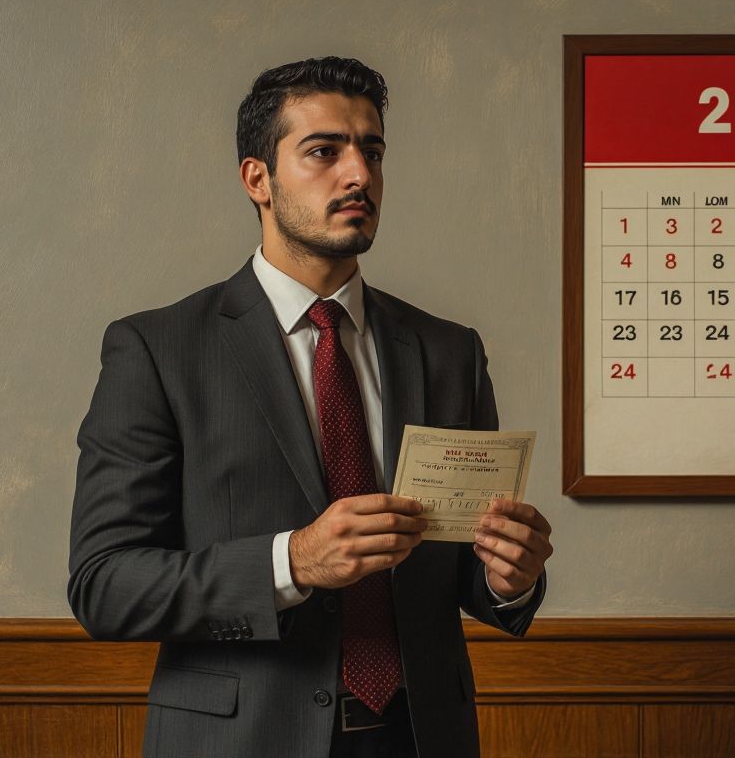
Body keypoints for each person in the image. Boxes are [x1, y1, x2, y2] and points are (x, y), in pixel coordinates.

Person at [67, 56, 552, 758]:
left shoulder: (450, 352)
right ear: (257, 179)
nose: (359, 175)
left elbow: (463, 568)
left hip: (421, 738)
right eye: (325, 151)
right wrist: (292, 562)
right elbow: (105, 585)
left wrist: (511, 578)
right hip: (243, 741)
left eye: (372, 151)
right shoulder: (157, 349)